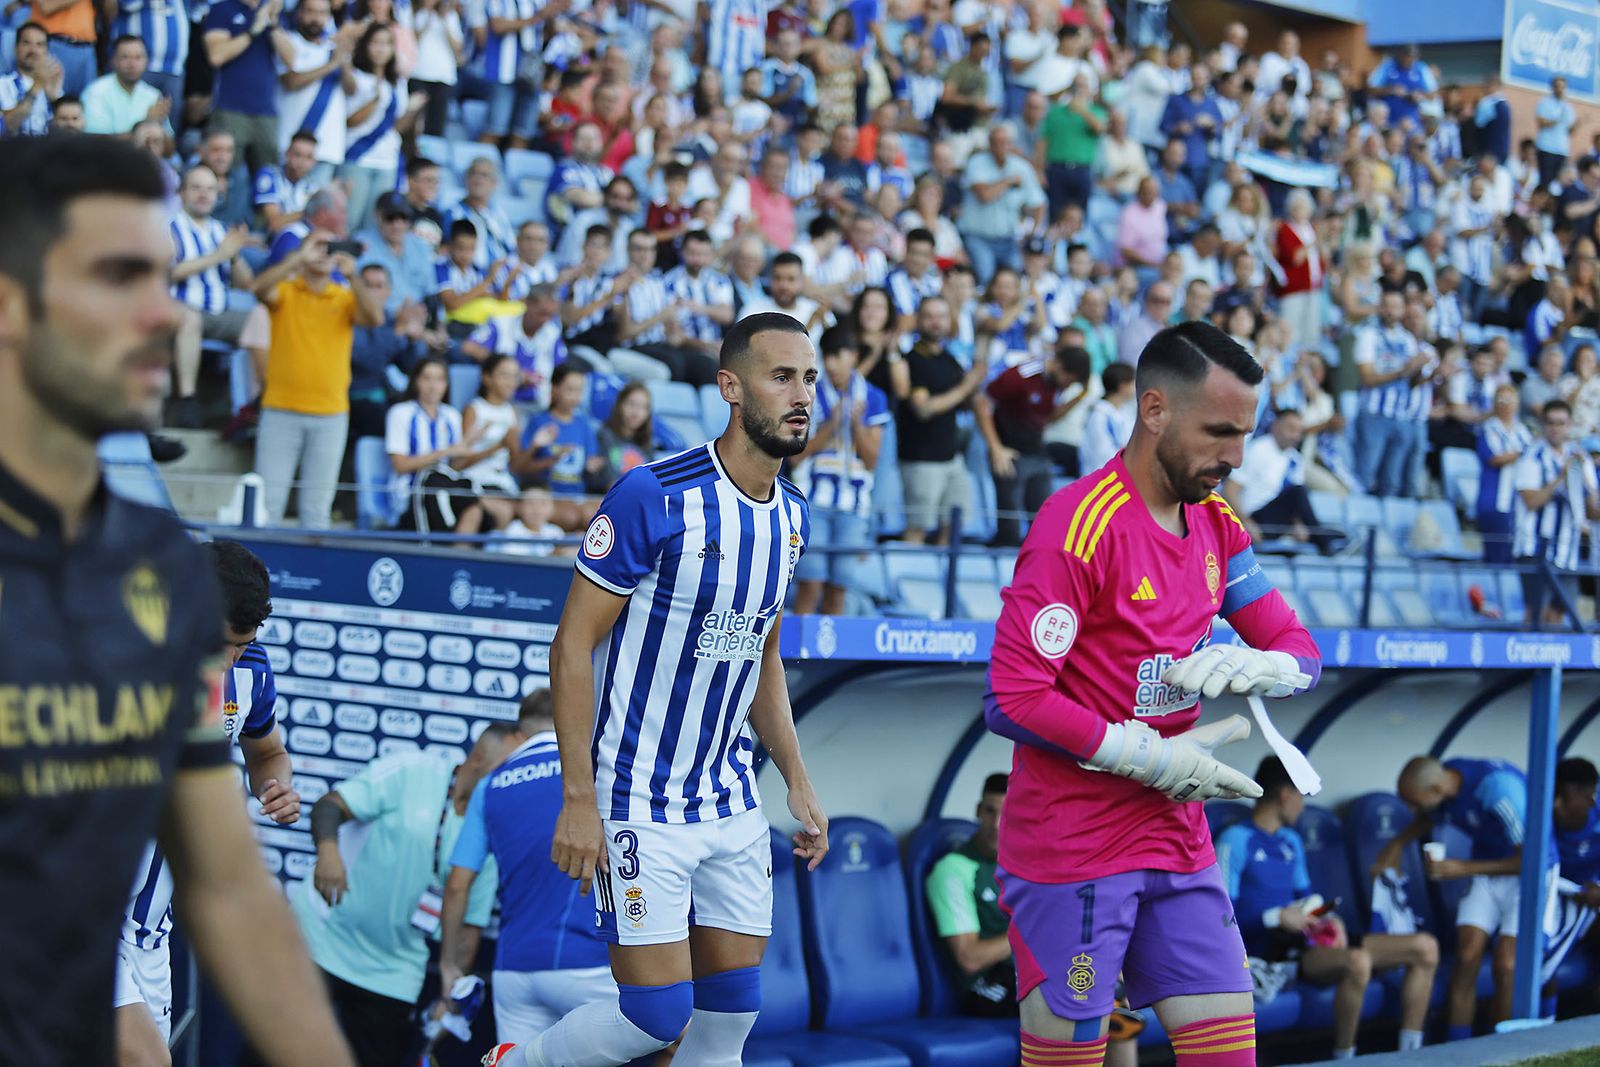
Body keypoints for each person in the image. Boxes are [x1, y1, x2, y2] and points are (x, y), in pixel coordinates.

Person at [0, 129, 352, 1067]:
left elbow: (231, 887)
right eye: (120, 277)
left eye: (164, 279)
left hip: (130, 955)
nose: (163, 314)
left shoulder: (150, 571)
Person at [481, 313, 829, 1067]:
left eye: (809, 377)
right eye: (782, 376)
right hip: (638, 797)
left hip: (730, 799)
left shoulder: (794, 519)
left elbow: (762, 652)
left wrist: (798, 778)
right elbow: (572, 643)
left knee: (729, 1018)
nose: (802, 394)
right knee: (654, 1014)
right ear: (731, 388)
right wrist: (580, 797)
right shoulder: (654, 494)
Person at [984, 319, 1322, 1067]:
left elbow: (1301, 649)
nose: (1235, 458)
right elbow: (1011, 695)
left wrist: (1270, 669)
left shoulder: (1217, 521)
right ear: (1155, 410)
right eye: (1221, 432)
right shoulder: (1076, 523)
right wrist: (1145, 755)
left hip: (1179, 842)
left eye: (1246, 435)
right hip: (1072, 854)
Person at [116, 541, 304, 1064]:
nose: (228, 659)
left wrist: (276, 784)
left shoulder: (251, 674)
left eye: (241, 646)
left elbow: (267, 751)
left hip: (151, 934)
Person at [298, 726, 518, 1066]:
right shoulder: (412, 770)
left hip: (393, 971)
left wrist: (450, 996)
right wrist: (328, 852)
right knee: (269, 1051)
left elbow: (470, 926)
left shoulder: (490, 825)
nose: (509, 782)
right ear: (476, 759)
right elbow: (330, 805)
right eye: (504, 770)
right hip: (322, 938)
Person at [1219, 757, 1438, 1058]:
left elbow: (1307, 898)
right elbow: (1220, 916)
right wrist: (1277, 917)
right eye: (1301, 797)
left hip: (1310, 939)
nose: (1302, 806)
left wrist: (1329, 919)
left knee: (1425, 947)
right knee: (1357, 961)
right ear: (1285, 796)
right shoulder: (1235, 840)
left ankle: (1412, 1054)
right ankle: (1344, 1057)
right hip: (1274, 953)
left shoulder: (1290, 841)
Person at [439, 692, 614, 1046]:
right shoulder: (597, 769)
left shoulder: (490, 785)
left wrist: (448, 966)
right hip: (591, 965)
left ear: (521, 733)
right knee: (675, 1040)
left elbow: (458, 884)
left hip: (514, 970)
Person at [1381, 756, 1541, 1041]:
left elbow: (1531, 859)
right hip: (1487, 868)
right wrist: (1397, 844)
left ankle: (1500, 1051)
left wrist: (1462, 868)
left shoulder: (1498, 789)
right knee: (1466, 957)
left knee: (1506, 963)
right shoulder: (1448, 780)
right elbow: (1427, 817)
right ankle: (1460, 1049)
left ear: (1434, 791)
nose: (1410, 810)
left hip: (1528, 875)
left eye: (1414, 802)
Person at [250, 230, 385, 527]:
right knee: (267, 506)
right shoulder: (286, 289)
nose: (324, 253)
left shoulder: (344, 296)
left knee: (316, 511)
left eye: (330, 246)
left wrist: (352, 276)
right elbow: (258, 289)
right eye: (318, 246)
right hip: (280, 409)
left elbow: (375, 318)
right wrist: (299, 256)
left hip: (330, 414)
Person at [791, 325, 892, 615]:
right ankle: (797, 658)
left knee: (840, 587)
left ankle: (826, 654)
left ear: (854, 356)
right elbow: (796, 457)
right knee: (810, 584)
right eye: (828, 356)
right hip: (815, 501)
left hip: (853, 503)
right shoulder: (808, 395)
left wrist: (857, 426)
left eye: (839, 355)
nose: (832, 364)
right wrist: (832, 424)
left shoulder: (873, 397)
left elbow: (871, 460)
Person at [898, 296, 989, 545]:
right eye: (929, 316)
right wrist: (966, 386)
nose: (935, 323)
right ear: (918, 320)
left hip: (952, 457)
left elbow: (964, 400)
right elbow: (923, 409)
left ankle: (942, 583)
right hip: (921, 460)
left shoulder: (950, 359)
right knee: (917, 529)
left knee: (954, 528)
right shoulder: (912, 360)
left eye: (941, 317)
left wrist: (976, 388)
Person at [169, 165, 255, 429]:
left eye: (210, 189)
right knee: (188, 319)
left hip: (220, 310)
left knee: (264, 321)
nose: (204, 194)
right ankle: (186, 400)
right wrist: (218, 256)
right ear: (182, 193)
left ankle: (255, 406)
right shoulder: (170, 227)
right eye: (196, 188)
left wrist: (235, 255)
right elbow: (169, 273)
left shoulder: (221, 231)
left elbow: (247, 284)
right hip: (180, 308)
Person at [926, 773, 1015, 1017]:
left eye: (1006, 813)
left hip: (1027, 973)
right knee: (1074, 1000)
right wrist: (1032, 930)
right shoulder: (953, 869)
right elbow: (969, 959)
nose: (996, 823)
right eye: (990, 811)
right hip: (985, 984)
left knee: (1108, 991)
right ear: (977, 811)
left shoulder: (1025, 864)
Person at [987, 345, 1092, 548]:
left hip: (1037, 451)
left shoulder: (1054, 385)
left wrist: (1078, 398)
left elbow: (1048, 418)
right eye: (1068, 380)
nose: (1067, 387)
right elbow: (982, 404)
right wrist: (995, 448)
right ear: (1059, 366)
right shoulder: (1021, 375)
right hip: (1010, 452)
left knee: (1043, 522)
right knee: (1009, 527)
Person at [1513, 399, 1600, 626]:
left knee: (1559, 613)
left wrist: (1588, 492)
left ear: (1570, 425)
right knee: (1535, 613)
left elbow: (1592, 509)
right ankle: (1529, 660)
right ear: (1543, 425)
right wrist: (1562, 477)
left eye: (1561, 423)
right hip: (1535, 547)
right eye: (1551, 423)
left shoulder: (1581, 458)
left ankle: (1550, 662)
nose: (1556, 428)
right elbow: (1531, 501)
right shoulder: (1532, 457)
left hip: (1568, 550)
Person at [1224, 409, 1339, 554]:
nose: (1295, 436)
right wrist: (1245, 522)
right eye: (1291, 429)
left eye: (1299, 431)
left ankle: (1326, 539)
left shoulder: (1296, 459)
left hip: (1281, 522)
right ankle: (1325, 544)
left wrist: (1298, 524)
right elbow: (1230, 489)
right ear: (1275, 426)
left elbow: (1295, 504)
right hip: (1255, 521)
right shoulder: (1258, 450)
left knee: (1337, 533)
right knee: (1299, 491)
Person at [1354, 290, 1431, 498]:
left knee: (1392, 480)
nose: (1390, 312)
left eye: (1396, 307)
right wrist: (1404, 369)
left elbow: (1412, 382)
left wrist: (1425, 371)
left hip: (1401, 416)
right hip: (1374, 414)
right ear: (1379, 308)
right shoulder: (1368, 335)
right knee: (1366, 475)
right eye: (1386, 306)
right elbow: (1367, 378)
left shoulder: (1407, 339)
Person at [203, 0, 290, 173]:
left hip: (266, 110)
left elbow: (292, 60)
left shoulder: (272, 10)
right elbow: (216, 56)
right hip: (230, 107)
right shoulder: (222, 8)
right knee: (228, 172)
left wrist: (272, 24)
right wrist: (254, 29)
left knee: (269, 174)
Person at [516, 362, 605, 530]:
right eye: (570, 389)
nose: (575, 396)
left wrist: (592, 466)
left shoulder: (583, 425)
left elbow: (589, 462)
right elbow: (521, 467)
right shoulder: (539, 422)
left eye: (579, 391)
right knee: (573, 517)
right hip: (548, 497)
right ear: (555, 389)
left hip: (578, 497)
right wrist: (547, 454)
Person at [1475, 383, 1534, 564]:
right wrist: (1524, 452)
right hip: (1495, 499)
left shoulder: (1523, 430)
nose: (1506, 404)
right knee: (1496, 554)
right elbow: (1495, 458)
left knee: (1513, 554)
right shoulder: (1489, 428)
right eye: (1501, 400)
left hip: (1518, 500)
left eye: (1511, 400)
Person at [82, 35, 170, 136]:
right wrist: (146, 124)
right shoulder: (96, 92)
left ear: (146, 61)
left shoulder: (153, 95)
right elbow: (98, 142)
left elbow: (169, 143)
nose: (132, 64)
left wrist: (160, 129)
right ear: (113, 61)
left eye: (138, 57)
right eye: (125, 57)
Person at [0, 22, 64, 136]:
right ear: (15, 49)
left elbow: (65, 134)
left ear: (47, 52)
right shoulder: (3, 85)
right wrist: (37, 86)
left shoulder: (54, 88)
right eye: (26, 43)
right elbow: (8, 126)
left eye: (39, 44)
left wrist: (54, 99)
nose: (33, 50)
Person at [1077, 360, 1136, 475]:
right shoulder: (1099, 415)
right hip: (1100, 480)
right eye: (1133, 382)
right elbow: (1103, 456)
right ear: (1122, 386)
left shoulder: (1125, 412)